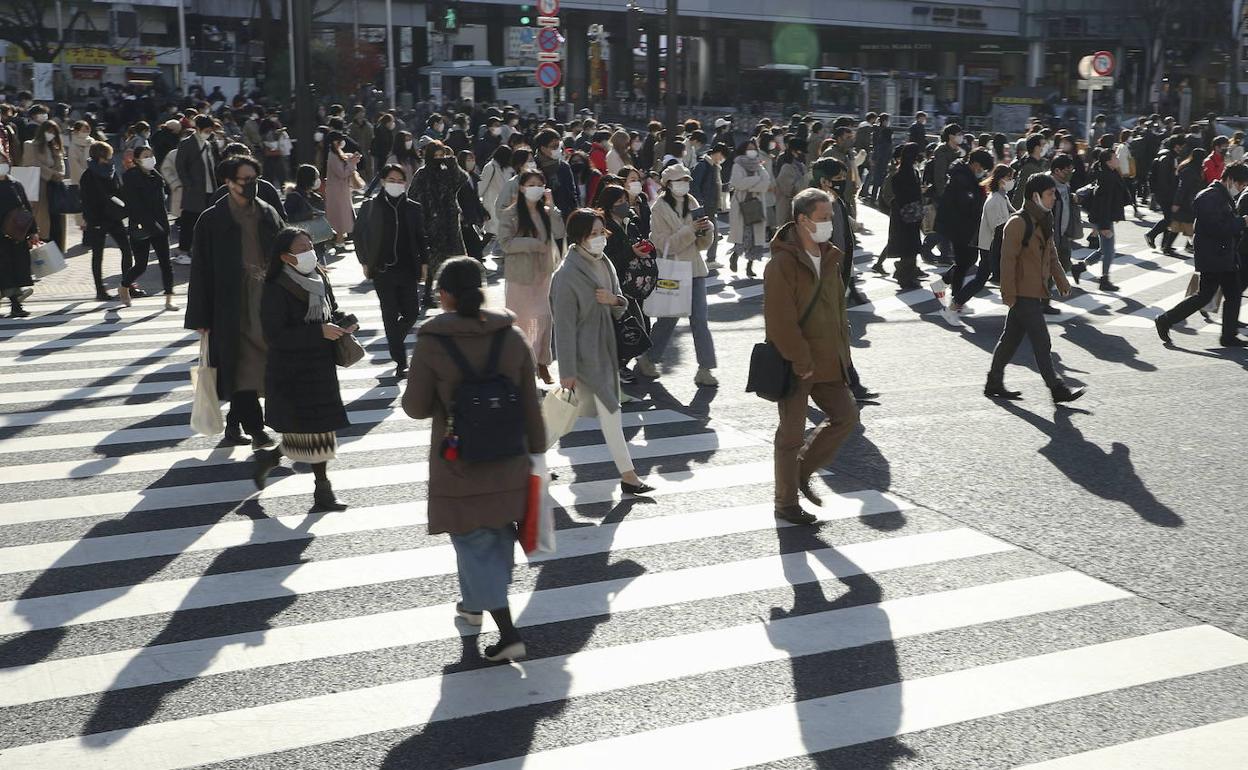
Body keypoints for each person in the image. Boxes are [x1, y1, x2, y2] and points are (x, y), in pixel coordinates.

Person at [402, 256, 545, 662]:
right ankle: (472, 605)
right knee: (495, 533)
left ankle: (508, 633)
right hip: (510, 454)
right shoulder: (510, 335)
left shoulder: (433, 341)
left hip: (459, 458)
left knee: (472, 537)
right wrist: (536, 451)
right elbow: (531, 403)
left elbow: (415, 407)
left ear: (443, 295)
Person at [764, 188, 860, 525]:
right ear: (802, 219)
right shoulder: (782, 263)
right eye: (823, 218)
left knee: (846, 415)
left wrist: (844, 355)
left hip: (829, 357)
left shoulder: (830, 256)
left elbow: (837, 308)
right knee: (790, 435)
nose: (829, 224)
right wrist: (800, 360)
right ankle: (785, 502)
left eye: (831, 217)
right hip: (796, 363)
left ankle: (800, 472)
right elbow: (779, 320)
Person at [552, 209, 655, 495]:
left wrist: (614, 299)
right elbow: (562, 327)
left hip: (607, 348)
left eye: (602, 233)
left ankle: (529, 458)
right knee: (608, 411)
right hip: (585, 356)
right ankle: (629, 476)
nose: (600, 239)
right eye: (593, 234)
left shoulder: (604, 261)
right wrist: (567, 371)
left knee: (565, 416)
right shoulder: (566, 274)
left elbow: (620, 301)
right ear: (579, 237)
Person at [184, 155, 285, 449]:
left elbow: (284, 250)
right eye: (244, 180)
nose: (251, 185)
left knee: (259, 365)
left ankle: (234, 425)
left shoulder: (267, 213)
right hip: (229, 304)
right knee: (241, 365)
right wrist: (200, 318)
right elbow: (200, 270)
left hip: (266, 299)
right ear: (227, 181)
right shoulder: (211, 220)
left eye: (254, 178)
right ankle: (256, 429)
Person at [252, 228, 354, 511]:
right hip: (291, 371)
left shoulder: (319, 278)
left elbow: (332, 310)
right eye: (302, 248)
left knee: (315, 430)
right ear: (285, 256)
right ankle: (323, 493)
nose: (310, 251)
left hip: (320, 366)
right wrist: (318, 332)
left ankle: (271, 460)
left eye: (310, 245)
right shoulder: (275, 287)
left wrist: (345, 322)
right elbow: (275, 336)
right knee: (314, 431)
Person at [984, 174, 1084, 404]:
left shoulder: (1043, 219)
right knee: (1042, 340)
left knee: (1010, 339)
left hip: (1034, 290)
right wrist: (1008, 293)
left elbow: (1051, 253)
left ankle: (993, 381)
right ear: (1035, 196)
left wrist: (1061, 280)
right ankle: (1056, 388)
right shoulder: (1018, 223)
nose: (1053, 199)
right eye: (1049, 194)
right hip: (1022, 292)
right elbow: (1007, 261)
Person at [638, 163, 718, 385]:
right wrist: (690, 230)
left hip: (694, 269)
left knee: (700, 320)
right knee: (668, 319)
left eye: (686, 180)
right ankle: (649, 357)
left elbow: (701, 245)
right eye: (679, 180)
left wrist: (706, 230)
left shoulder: (692, 203)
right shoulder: (658, 209)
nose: (684, 184)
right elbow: (663, 244)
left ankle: (705, 368)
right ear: (668, 184)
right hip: (673, 270)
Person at [1155, 163, 1248, 348]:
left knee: (1233, 293)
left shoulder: (1221, 195)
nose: (1241, 189)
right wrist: (1241, 222)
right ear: (1230, 180)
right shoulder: (1209, 197)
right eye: (1240, 185)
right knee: (1204, 295)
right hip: (1213, 254)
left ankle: (1228, 336)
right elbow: (1216, 228)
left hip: (1223, 254)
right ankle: (1165, 319)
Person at [359, 164, 429, 377]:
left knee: (412, 313)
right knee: (389, 314)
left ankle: (394, 337)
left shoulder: (413, 208)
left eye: (400, 181)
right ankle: (400, 361)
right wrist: (364, 261)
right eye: (392, 180)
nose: (396, 184)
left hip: (408, 268)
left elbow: (421, 237)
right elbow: (359, 236)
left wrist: (425, 263)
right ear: (382, 181)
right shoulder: (370, 206)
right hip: (383, 270)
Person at [498, 170, 565, 384]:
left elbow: (560, 231)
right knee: (521, 321)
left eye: (539, 184)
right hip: (520, 276)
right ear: (522, 187)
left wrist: (552, 207)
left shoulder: (547, 212)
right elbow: (505, 243)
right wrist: (532, 244)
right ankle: (520, 364)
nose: (535, 188)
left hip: (543, 273)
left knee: (544, 318)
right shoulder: (510, 214)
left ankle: (542, 362)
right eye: (531, 184)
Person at [935, 148, 992, 324]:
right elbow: (966, 204)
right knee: (964, 262)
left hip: (963, 226)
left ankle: (944, 286)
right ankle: (956, 300)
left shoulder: (967, 175)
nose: (983, 172)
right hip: (958, 226)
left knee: (967, 260)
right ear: (975, 164)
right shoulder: (961, 178)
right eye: (982, 168)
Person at [949, 163, 1015, 312]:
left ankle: (956, 302)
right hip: (991, 246)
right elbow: (998, 228)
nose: (1012, 181)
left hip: (994, 245)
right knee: (981, 279)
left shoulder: (1002, 197)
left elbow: (1013, 212)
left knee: (983, 278)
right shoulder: (994, 200)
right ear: (1000, 179)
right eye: (1009, 178)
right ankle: (955, 303)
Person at [119, 145, 176, 309]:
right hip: (141, 226)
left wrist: (164, 226)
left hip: (160, 225)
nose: (150, 158)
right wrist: (151, 225)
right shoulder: (130, 177)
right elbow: (134, 205)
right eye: (146, 156)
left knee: (166, 263)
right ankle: (124, 286)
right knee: (141, 265)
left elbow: (161, 205)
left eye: (151, 155)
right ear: (137, 160)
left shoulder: (156, 176)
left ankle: (169, 299)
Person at [411, 140, 469, 303]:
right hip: (431, 222)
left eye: (441, 155)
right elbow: (412, 195)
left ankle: (459, 292)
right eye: (436, 155)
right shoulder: (422, 173)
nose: (439, 158)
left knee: (456, 257)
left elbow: (462, 180)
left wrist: (452, 162)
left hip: (450, 221)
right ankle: (428, 293)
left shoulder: (448, 172)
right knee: (433, 259)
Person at [79, 141, 135, 302]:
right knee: (98, 255)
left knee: (126, 248)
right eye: (108, 154)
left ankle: (127, 284)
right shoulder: (88, 176)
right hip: (98, 220)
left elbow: (119, 191)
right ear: (102, 156)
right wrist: (91, 221)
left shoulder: (111, 171)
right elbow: (86, 201)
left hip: (113, 218)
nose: (111, 157)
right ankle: (100, 290)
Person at [1071, 147, 1130, 291]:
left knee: (1104, 249)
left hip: (1105, 217)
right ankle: (1104, 280)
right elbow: (1103, 203)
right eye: (1115, 157)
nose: (1117, 159)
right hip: (1104, 218)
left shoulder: (1110, 173)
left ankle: (1080, 267)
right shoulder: (1107, 178)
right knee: (1109, 251)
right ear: (1108, 162)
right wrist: (1104, 227)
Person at [728, 138, 772, 277]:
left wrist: (751, 183)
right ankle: (735, 255)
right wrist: (756, 180)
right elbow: (737, 183)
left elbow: (766, 183)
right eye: (749, 149)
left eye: (754, 148)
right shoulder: (738, 165)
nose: (752, 151)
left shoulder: (759, 165)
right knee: (742, 235)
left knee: (755, 237)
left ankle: (749, 266)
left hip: (757, 204)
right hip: (742, 205)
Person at [0, 152, 36, 317]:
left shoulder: (15, 184)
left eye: (3, 161)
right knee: (5, 269)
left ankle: (15, 304)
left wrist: (33, 231)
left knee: (15, 268)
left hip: (17, 235)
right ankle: (15, 302)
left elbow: (26, 209)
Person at [884, 142, 924, 290]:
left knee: (910, 246)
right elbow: (902, 194)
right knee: (909, 246)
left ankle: (907, 273)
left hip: (908, 212)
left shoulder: (908, 171)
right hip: (906, 213)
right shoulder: (902, 173)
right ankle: (904, 275)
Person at [23, 117, 66, 251]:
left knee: (56, 217)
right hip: (39, 184)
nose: (51, 134)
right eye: (48, 131)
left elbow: (61, 163)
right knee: (42, 217)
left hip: (54, 184)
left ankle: (57, 247)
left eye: (54, 132)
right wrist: (51, 173)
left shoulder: (55, 146)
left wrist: (59, 173)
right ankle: (42, 244)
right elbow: (32, 163)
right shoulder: (31, 145)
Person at [1146, 136, 1184, 255]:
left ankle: (1165, 244)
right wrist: (1172, 193)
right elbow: (1165, 179)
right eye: (1181, 145)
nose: (1182, 148)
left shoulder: (1168, 156)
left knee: (1170, 218)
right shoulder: (1168, 158)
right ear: (1176, 146)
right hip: (1166, 193)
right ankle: (1151, 235)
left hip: (1163, 192)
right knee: (1170, 218)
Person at [534, 128, 580, 216]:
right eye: (554, 147)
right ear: (543, 148)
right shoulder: (534, 166)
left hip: (563, 215)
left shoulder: (564, 166)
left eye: (559, 146)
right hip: (541, 215)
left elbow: (572, 193)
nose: (558, 149)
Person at [1168, 147, 1206, 253]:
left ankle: (1170, 246)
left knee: (1180, 225)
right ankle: (1171, 246)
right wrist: (1177, 203)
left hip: (1188, 201)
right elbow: (1182, 188)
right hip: (1186, 202)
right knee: (1184, 224)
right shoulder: (1190, 170)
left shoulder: (1192, 168)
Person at [478, 144, 512, 250]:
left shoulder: (507, 168)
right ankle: (478, 250)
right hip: (491, 202)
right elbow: (482, 185)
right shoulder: (490, 167)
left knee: (498, 229)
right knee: (492, 229)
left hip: (503, 202)